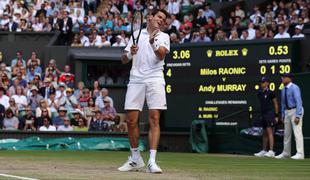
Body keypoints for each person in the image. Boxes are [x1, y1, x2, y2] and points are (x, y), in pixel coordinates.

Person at [118, 9, 170, 173]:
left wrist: (153, 42)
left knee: (154, 118)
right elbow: (123, 59)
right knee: (131, 121)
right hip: (136, 79)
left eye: (164, 19)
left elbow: (161, 55)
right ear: (150, 17)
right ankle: (135, 159)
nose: (161, 20)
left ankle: (152, 162)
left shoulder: (164, 37)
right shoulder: (136, 34)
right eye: (159, 17)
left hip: (155, 78)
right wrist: (131, 54)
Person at [276, 73, 304, 160]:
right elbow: (283, 104)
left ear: (289, 79)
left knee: (297, 133)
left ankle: (300, 154)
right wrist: (283, 115)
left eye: (284, 77)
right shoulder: (283, 89)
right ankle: (286, 153)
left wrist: (298, 115)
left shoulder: (295, 88)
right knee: (286, 134)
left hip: (295, 110)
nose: (282, 78)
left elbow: (298, 101)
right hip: (287, 112)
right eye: (282, 77)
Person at [254, 77, 279, 158]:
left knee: (269, 132)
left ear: (267, 83)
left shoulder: (271, 93)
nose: (262, 83)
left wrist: (276, 115)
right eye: (261, 82)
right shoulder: (259, 93)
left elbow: (275, 104)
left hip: (270, 114)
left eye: (263, 82)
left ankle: (271, 151)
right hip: (263, 114)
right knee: (264, 133)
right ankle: (264, 150)